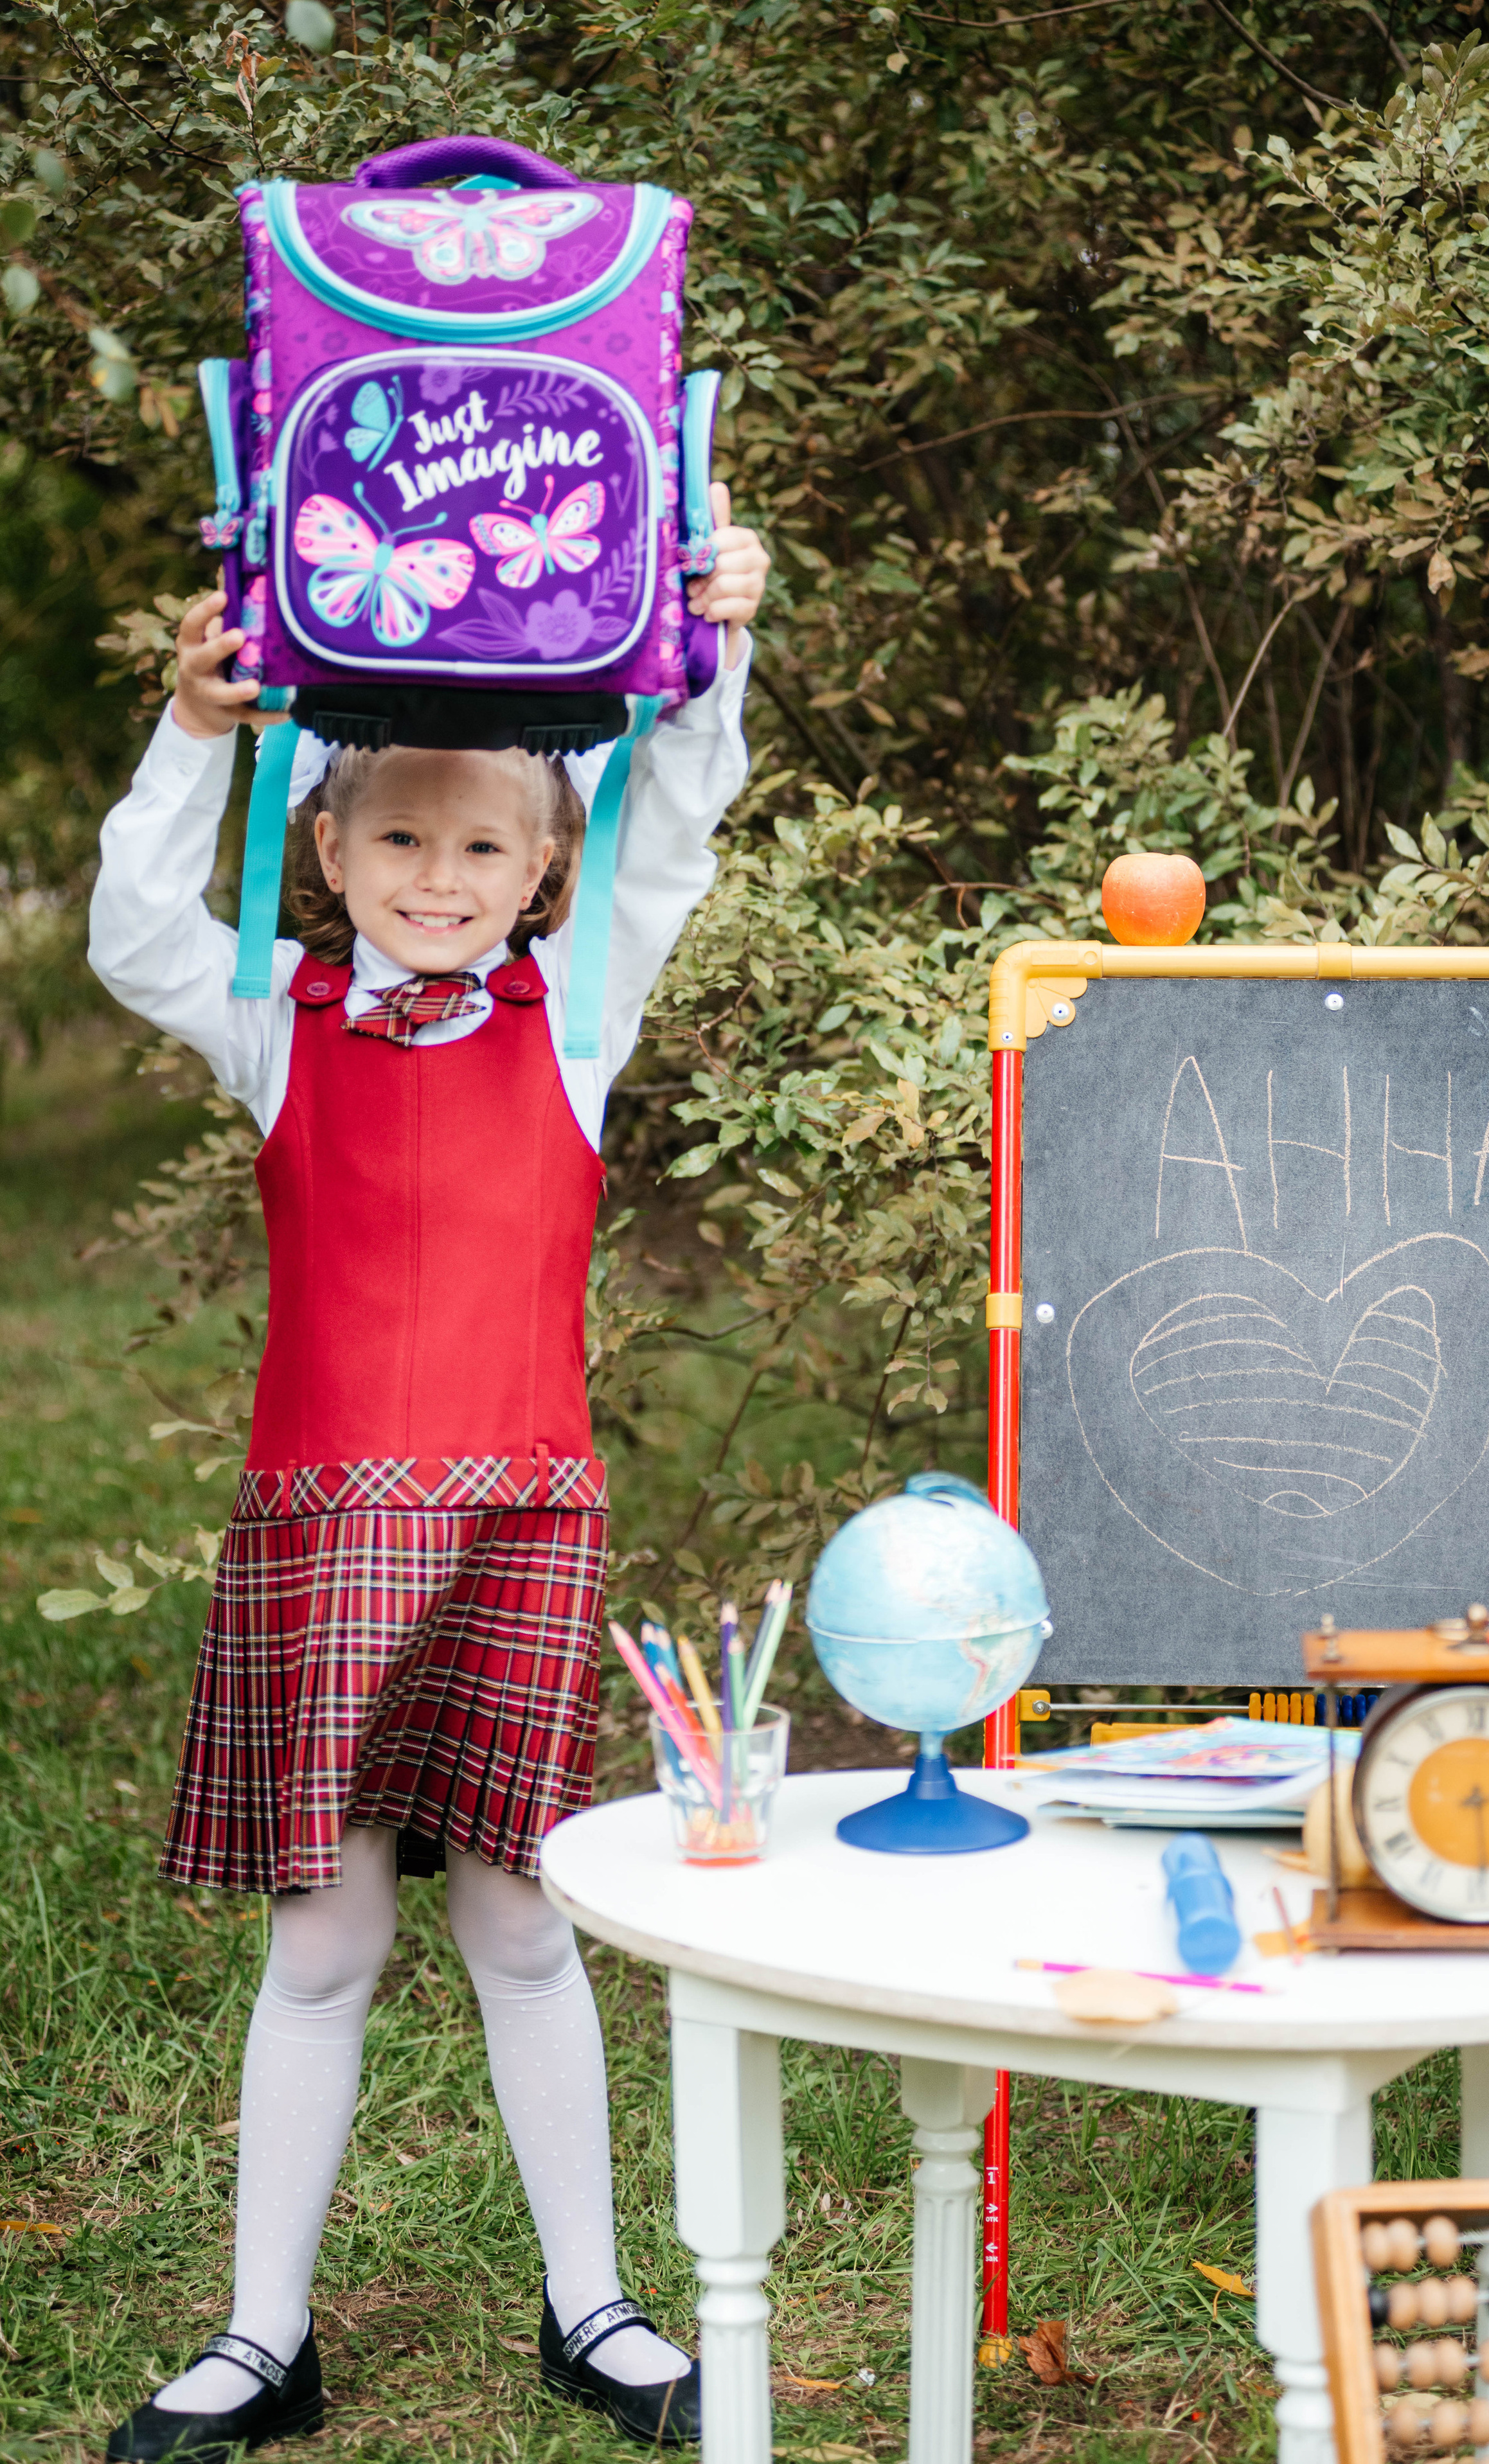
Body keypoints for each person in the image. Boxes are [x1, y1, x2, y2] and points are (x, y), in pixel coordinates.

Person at [88, 487, 770, 2463]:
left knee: (523, 1922)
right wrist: (196, 722)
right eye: (398, 833)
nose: (441, 872)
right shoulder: (275, 1023)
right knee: (326, 1944)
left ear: (552, 867)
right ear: (329, 843)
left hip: (516, 1527)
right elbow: (136, 918)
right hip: (322, 1537)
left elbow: (684, 831)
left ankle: (596, 2308)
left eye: (486, 842)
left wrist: (712, 650)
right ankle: (261, 2334)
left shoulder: (579, 1020)